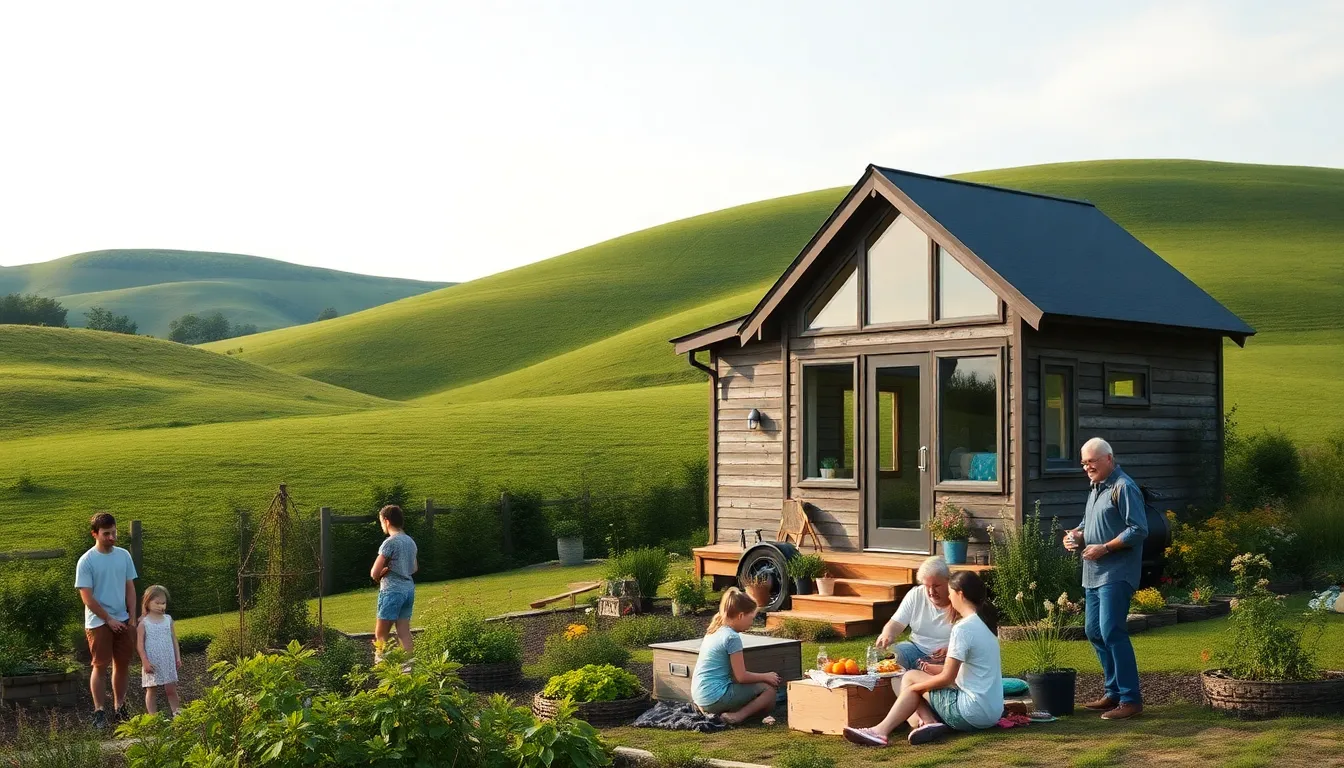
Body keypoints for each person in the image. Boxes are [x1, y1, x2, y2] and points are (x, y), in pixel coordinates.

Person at [844, 571, 1002, 747]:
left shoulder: (963, 628)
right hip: (991, 713)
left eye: (950, 592)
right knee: (912, 676)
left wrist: (915, 690)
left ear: (960, 594)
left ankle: (880, 732)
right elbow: (967, 672)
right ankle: (926, 722)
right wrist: (928, 673)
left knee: (911, 682)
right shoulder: (987, 626)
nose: (949, 597)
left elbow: (947, 678)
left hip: (970, 714)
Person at [1063, 437, 1149, 720]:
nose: (1087, 467)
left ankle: (1130, 699)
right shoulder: (1096, 489)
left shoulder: (1124, 487)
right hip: (1093, 575)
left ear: (1109, 459)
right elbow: (1089, 525)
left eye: (1092, 461)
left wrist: (1106, 547)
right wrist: (1075, 535)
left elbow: (1138, 530)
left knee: (1112, 631)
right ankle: (1113, 693)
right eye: (1084, 463)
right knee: (1094, 632)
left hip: (1116, 573)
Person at [74, 512, 139, 729]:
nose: (112, 537)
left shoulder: (123, 556)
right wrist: (109, 619)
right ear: (95, 534)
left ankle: (120, 707)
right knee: (100, 666)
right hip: (98, 622)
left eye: (114, 532)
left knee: (122, 665)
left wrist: (133, 617)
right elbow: (87, 598)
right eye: (106, 534)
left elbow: (130, 587)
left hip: (123, 619)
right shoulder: (87, 561)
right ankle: (99, 711)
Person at [691, 588, 782, 725]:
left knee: (755, 693)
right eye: (751, 618)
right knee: (769, 691)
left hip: (700, 697)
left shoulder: (714, 630)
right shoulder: (732, 638)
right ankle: (738, 716)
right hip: (714, 697)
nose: (751, 623)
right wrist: (766, 676)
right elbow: (741, 677)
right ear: (740, 616)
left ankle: (723, 711)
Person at [875, 556, 952, 670]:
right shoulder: (916, 595)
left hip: (948, 656)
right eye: (927, 586)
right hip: (916, 648)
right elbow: (896, 623)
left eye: (936, 586)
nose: (931, 592)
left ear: (948, 581)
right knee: (893, 656)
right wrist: (888, 634)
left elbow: (970, 637)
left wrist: (952, 649)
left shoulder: (958, 599)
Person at [369, 504, 418, 660]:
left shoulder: (390, 542)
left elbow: (374, 573)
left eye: (381, 522)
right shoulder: (410, 541)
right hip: (408, 590)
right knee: (403, 631)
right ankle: (408, 668)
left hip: (391, 590)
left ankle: (381, 667)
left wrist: (380, 574)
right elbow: (414, 568)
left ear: (386, 520)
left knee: (381, 633)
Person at [137, 584, 182, 716]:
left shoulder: (168, 620)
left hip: (167, 660)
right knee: (151, 689)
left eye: (163, 603)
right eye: (157, 603)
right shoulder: (144, 623)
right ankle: (153, 718)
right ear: (147, 602)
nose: (161, 606)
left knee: (171, 689)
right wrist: (145, 662)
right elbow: (139, 645)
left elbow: (174, 639)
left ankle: (177, 714)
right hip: (152, 662)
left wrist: (177, 657)